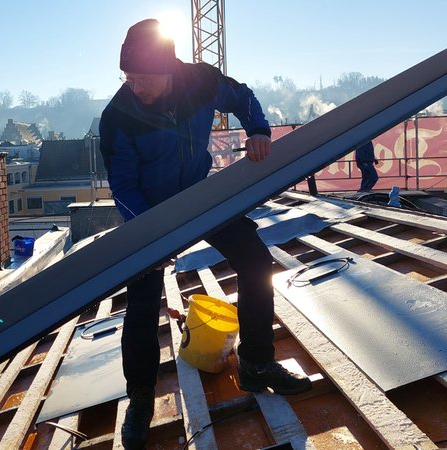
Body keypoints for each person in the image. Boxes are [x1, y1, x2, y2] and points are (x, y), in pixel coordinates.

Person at [99, 19, 311, 448]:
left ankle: (256, 364)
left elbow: (243, 96)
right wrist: (151, 235)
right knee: (142, 301)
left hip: (200, 196)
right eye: (128, 79)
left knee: (256, 263)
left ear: (167, 69)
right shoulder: (118, 117)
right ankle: (140, 397)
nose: (135, 88)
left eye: (143, 79)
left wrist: (258, 129)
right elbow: (123, 187)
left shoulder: (201, 82)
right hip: (151, 211)